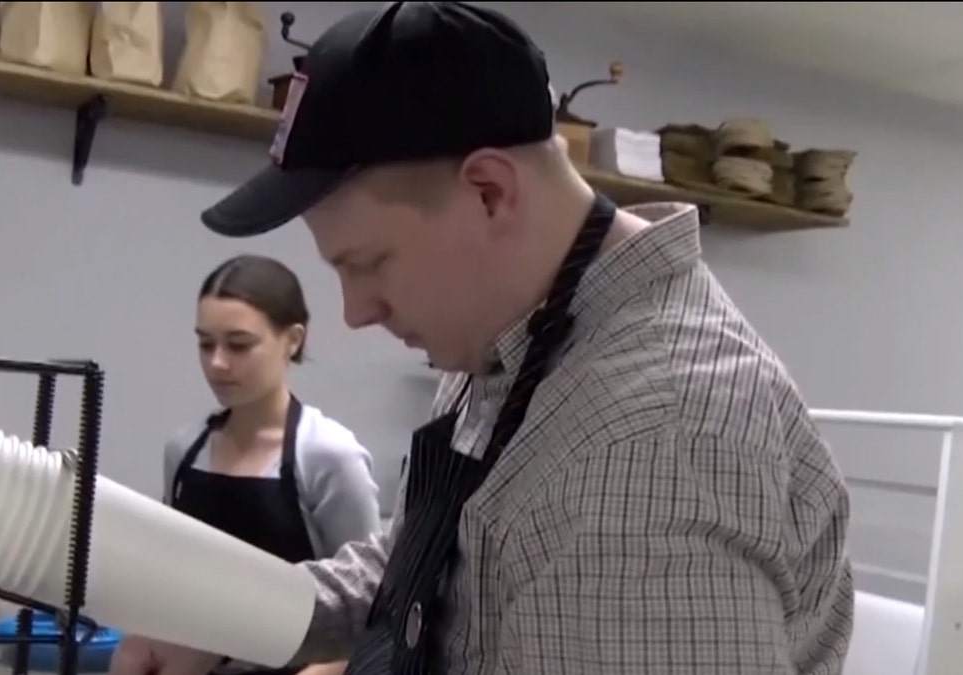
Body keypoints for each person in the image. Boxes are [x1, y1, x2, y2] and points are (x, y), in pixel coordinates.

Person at [111, 3, 854, 675]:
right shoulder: (517, 340)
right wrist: (221, 616)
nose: (356, 311)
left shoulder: (650, 441)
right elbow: (430, 563)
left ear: (490, 192)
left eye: (369, 263)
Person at [137, 254, 383, 675]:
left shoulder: (328, 456)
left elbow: (374, 608)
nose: (217, 362)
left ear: (292, 340)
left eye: (238, 345)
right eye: (205, 343)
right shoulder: (184, 451)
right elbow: (171, 580)